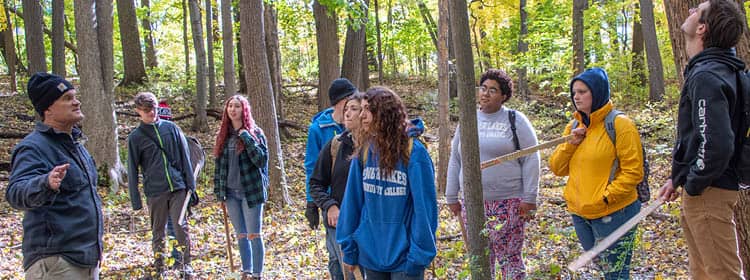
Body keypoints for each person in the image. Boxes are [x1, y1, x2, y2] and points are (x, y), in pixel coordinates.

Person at [657, 1, 747, 279]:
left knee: (723, 274)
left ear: (702, 28)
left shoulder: (708, 76)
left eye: (697, 10)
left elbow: (717, 145)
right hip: (708, 189)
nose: (689, 11)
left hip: (710, 192)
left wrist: (694, 183)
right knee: (703, 274)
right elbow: (702, 138)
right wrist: (679, 177)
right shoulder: (722, 70)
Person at [6, 72, 103, 279]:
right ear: (48, 108)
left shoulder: (76, 146)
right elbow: (15, 193)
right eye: (67, 98)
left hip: (86, 260)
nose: (76, 102)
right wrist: (44, 183)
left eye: (75, 97)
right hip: (56, 263)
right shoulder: (33, 147)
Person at [549, 67, 644, 279]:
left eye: (583, 91)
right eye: (574, 92)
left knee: (616, 273)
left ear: (598, 92)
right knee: (603, 269)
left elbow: (633, 172)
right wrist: (570, 144)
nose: (577, 97)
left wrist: (606, 198)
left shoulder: (620, 124)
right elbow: (557, 168)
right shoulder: (574, 125)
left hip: (614, 212)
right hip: (580, 213)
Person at [445, 69, 540, 279]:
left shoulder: (516, 120)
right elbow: (456, 158)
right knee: (480, 259)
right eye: (483, 88)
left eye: (493, 90)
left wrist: (530, 198)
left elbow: (532, 158)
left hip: (509, 203)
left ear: (504, 96)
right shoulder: (468, 120)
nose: (485, 94)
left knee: (509, 259)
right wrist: (451, 196)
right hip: (473, 203)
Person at [337, 87, 438, 279]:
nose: (363, 116)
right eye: (363, 109)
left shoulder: (414, 153)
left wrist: (418, 258)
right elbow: (352, 203)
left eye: (369, 110)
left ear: (385, 114)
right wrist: (349, 248)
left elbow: (425, 211)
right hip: (371, 255)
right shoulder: (366, 152)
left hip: (406, 260)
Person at [127, 92, 195, 275]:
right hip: (155, 190)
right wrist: (136, 199)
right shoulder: (135, 137)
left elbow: (184, 158)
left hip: (178, 187)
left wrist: (191, 187)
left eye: (154, 109)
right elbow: (132, 170)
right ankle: (160, 266)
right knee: (158, 230)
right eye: (147, 110)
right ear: (138, 111)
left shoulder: (171, 128)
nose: (152, 113)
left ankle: (184, 264)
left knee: (181, 226)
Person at [310, 93, 365, 280]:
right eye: (346, 109)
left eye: (354, 109)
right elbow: (315, 183)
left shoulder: (376, 149)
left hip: (365, 227)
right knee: (339, 268)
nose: (347, 113)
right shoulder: (334, 146)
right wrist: (329, 206)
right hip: (337, 225)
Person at [304, 78, 357, 275]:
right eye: (350, 100)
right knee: (336, 255)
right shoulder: (320, 128)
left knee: (349, 258)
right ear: (341, 101)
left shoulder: (358, 125)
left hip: (354, 202)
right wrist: (314, 204)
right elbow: (312, 168)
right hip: (331, 203)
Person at [213, 95, 269, 280]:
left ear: (244, 110)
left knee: (254, 234)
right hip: (230, 193)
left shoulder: (255, 133)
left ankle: (257, 273)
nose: (233, 109)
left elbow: (261, 160)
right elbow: (219, 166)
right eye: (230, 106)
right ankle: (246, 270)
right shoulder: (224, 135)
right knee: (241, 234)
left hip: (250, 192)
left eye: (237, 106)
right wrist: (219, 192)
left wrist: (246, 137)